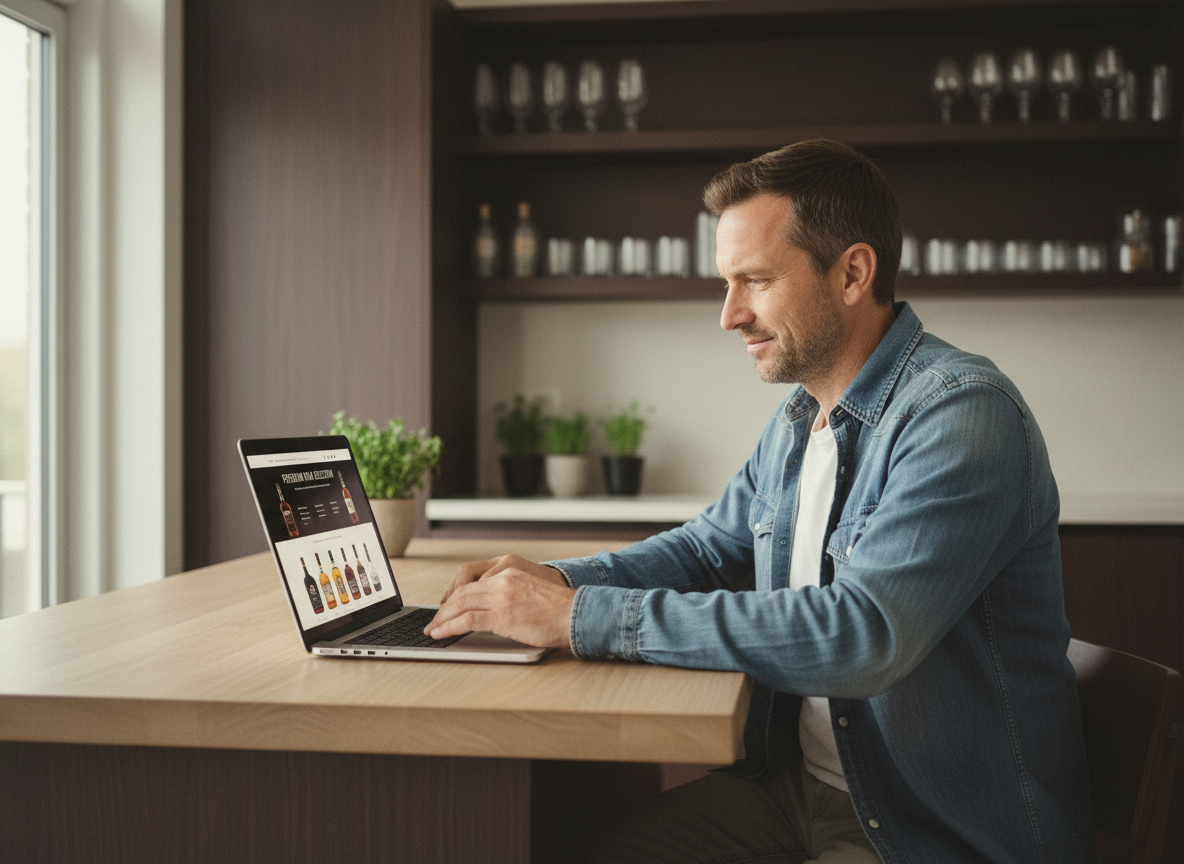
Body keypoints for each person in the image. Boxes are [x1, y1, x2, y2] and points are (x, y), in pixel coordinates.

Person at [425, 139, 1096, 863]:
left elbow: (862, 635)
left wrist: (579, 617)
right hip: (798, 791)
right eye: (726, 283)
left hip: (927, 830)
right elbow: (710, 549)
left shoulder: (961, 414)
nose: (729, 315)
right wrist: (555, 582)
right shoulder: (802, 419)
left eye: (755, 281)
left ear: (852, 273)